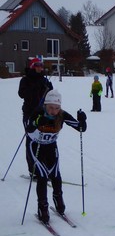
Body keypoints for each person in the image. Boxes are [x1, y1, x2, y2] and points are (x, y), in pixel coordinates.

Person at [26, 90, 87, 223]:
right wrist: (37, 122)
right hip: (35, 146)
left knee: (55, 174)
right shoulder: (38, 112)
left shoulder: (62, 115)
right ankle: (42, 207)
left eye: (57, 108)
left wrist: (82, 120)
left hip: (51, 146)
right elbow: (28, 127)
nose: (54, 111)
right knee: (42, 176)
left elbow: (81, 128)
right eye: (51, 108)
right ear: (45, 105)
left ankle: (58, 198)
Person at [19, 57, 53, 172]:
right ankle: (33, 169)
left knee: (44, 140)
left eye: (41, 65)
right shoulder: (25, 80)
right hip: (29, 113)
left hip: (43, 114)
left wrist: (49, 88)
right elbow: (22, 94)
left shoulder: (44, 80)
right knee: (31, 140)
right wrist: (35, 86)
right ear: (33, 67)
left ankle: (44, 166)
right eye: (38, 65)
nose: (40, 67)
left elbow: (50, 95)